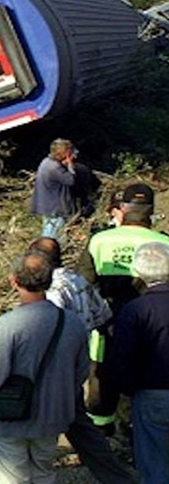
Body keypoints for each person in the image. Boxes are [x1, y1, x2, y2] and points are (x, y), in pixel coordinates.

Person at [0, 252, 89, 484]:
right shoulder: (72, 322)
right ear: (50, 280)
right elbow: (81, 370)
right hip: (52, 417)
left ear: (13, 280)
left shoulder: (8, 324)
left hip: (9, 419)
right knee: (44, 476)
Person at [31, 239, 135, 484]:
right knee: (83, 430)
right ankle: (119, 478)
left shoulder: (51, 290)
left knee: (40, 433)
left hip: (54, 370)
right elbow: (103, 315)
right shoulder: (78, 280)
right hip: (77, 364)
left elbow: (46, 330)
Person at [78, 183, 169, 428]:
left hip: (105, 326)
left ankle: (101, 432)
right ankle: (130, 431)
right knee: (139, 378)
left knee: (102, 379)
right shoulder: (163, 242)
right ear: (150, 210)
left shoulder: (99, 240)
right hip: (152, 327)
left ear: (122, 209)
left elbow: (83, 284)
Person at [105, 242, 169, 483]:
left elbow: (122, 357)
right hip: (151, 390)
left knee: (154, 464)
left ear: (138, 273)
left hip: (151, 393)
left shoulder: (134, 310)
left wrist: (128, 389)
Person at [31, 139, 77, 240]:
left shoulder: (46, 162)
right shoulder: (55, 168)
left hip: (46, 206)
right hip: (55, 209)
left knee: (49, 233)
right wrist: (70, 165)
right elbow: (71, 180)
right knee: (53, 238)